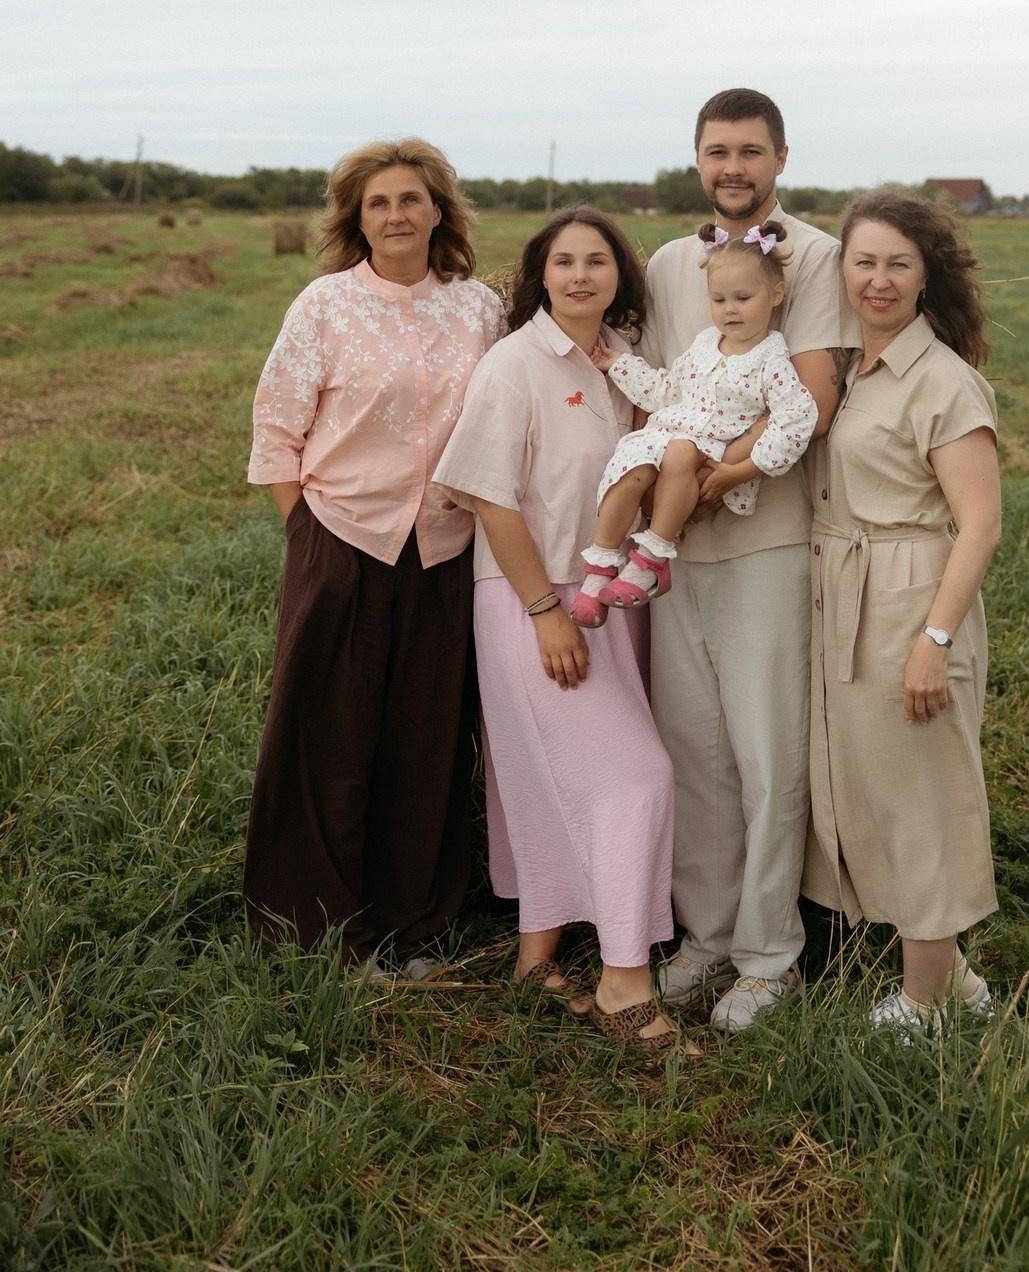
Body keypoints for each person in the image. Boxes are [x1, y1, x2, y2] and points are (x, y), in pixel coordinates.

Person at [244, 138, 505, 982]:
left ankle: (417, 924)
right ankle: (316, 929)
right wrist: (309, 540)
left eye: (411, 199)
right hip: (342, 539)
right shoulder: (324, 305)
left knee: (426, 741)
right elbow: (275, 433)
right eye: (378, 203)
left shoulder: (476, 311)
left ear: (439, 212)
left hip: (445, 550)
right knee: (328, 738)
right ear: (358, 219)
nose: (396, 215)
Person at [433, 208, 684, 1050]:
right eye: (565, 262)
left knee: (547, 777)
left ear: (620, 276)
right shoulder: (515, 364)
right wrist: (544, 613)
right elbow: (487, 495)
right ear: (541, 274)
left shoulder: (628, 367)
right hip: (531, 599)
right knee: (635, 777)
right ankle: (624, 982)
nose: (581, 276)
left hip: (612, 601)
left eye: (599, 262)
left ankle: (536, 960)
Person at [639, 88, 859, 1030]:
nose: (734, 166)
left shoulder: (813, 258)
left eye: (751, 151)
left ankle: (773, 956)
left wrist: (699, 488)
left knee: (767, 751)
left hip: (764, 537)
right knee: (693, 746)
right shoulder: (665, 263)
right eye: (717, 150)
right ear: (697, 157)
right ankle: (708, 936)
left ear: (780, 158)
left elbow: (808, 400)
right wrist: (662, 503)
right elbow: (659, 398)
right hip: (674, 545)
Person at [802, 188, 1002, 1032]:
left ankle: (925, 1006)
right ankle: (954, 980)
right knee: (875, 789)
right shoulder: (850, 367)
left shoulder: (943, 381)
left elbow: (981, 522)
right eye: (863, 261)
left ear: (927, 277)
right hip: (847, 589)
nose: (877, 281)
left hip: (910, 596)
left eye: (898, 264)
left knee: (922, 794)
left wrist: (934, 639)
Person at [570, 221, 818, 624]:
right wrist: (619, 364)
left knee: (681, 451)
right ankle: (600, 566)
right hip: (667, 435)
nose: (730, 309)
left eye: (743, 297)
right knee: (630, 464)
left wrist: (743, 470)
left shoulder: (772, 361)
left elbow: (797, 417)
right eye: (719, 299)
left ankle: (653, 558)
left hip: (709, 448)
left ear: (775, 295)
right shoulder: (704, 345)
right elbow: (667, 391)